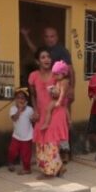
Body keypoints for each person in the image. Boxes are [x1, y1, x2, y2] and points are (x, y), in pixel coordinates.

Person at [28, 50, 68, 178]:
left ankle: (49, 172)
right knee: (41, 141)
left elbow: (63, 92)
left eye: (48, 57)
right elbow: (32, 95)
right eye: (43, 57)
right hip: (41, 112)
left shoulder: (56, 74)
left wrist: (57, 93)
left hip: (55, 111)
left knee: (51, 140)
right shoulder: (33, 76)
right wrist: (35, 110)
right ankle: (59, 167)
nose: (47, 59)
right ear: (37, 61)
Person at [7, 88, 34, 175]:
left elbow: (33, 120)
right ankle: (11, 163)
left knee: (26, 154)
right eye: (18, 98)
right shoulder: (13, 109)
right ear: (15, 99)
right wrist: (19, 110)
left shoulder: (30, 109)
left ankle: (27, 168)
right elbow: (14, 119)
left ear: (26, 100)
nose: (20, 100)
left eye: (22, 98)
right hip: (16, 136)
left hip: (27, 136)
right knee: (12, 151)